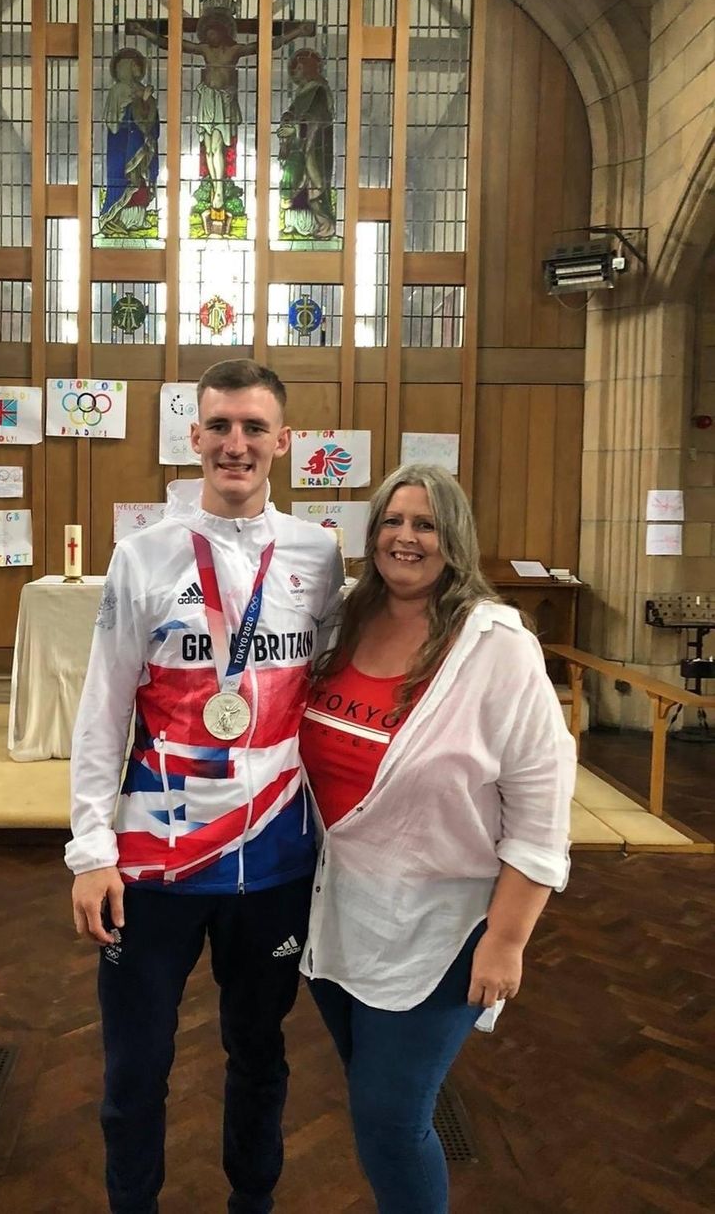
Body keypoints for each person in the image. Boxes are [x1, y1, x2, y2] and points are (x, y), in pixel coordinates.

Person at [65, 359, 344, 1214]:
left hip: (274, 859)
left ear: (283, 441)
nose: (236, 443)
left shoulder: (318, 553)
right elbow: (103, 708)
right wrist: (90, 847)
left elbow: (331, 694)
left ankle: (251, 1203)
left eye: (254, 427)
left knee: (260, 1057)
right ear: (194, 436)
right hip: (154, 860)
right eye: (220, 425)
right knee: (135, 1069)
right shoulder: (143, 555)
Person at [298, 463, 575, 1214]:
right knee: (370, 1100)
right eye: (392, 520)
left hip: (445, 926)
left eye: (425, 523)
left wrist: (508, 938)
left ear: (455, 539)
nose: (406, 537)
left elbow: (544, 812)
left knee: (391, 1119)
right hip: (339, 912)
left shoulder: (497, 646)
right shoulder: (345, 617)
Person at [129, 0, 311, 219]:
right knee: (210, 147)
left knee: (218, 146)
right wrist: (144, 31)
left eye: (213, 31)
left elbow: (267, 45)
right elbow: (171, 44)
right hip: (207, 100)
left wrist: (297, 33)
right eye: (207, 32)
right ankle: (217, 188)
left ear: (223, 31)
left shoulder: (234, 50)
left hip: (225, 102)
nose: (209, 35)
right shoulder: (205, 50)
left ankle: (219, 190)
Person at [99, 47, 160, 238]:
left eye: (139, 66)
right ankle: (116, 220)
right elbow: (118, 120)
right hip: (123, 144)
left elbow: (149, 120)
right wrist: (141, 100)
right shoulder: (119, 90)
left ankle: (136, 221)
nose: (138, 69)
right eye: (134, 65)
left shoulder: (139, 89)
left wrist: (147, 101)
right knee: (124, 180)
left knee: (140, 179)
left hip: (139, 143)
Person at [276, 47, 336, 240]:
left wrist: (295, 127)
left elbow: (315, 119)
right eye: (294, 69)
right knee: (292, 181)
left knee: (315, 183)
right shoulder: (303, 92)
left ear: (309, 68)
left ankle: (324, 224)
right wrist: (288, 120)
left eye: (299, 68)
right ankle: (296, 224)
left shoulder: (318, 90)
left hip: (315, 145)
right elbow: (294, 114)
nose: (295, 73)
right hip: (300, 145)